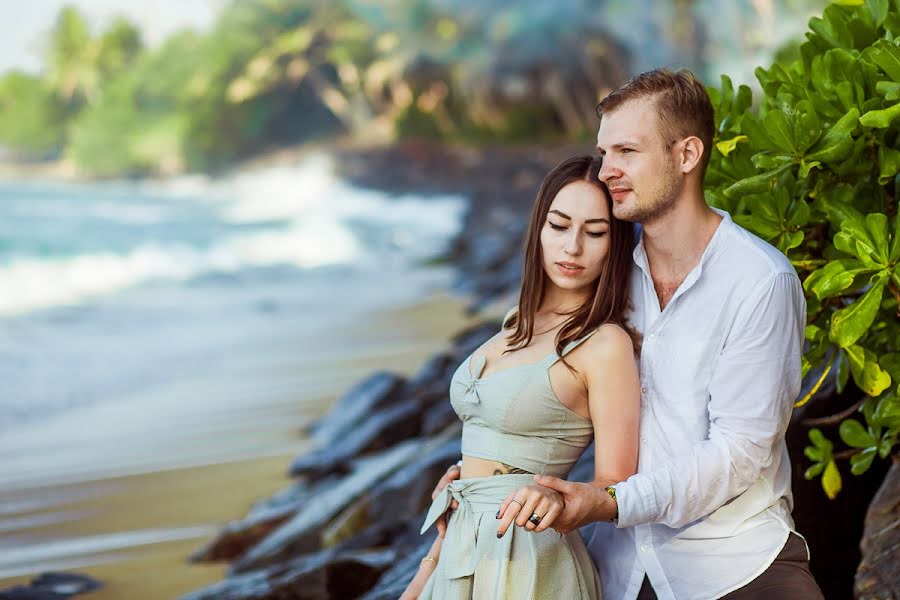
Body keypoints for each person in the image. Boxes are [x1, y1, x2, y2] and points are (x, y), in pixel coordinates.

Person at [425, 69, 825, 599]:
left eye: (626, 152)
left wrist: (611, 503)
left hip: (736, 567)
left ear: (686, 156)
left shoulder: (758, 281)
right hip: (617, 571)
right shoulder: (604, 272)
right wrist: (484, 475)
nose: (607, 170)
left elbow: (739, 452)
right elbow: (546, 386)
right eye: (603, 150)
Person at [401, 154, 642, 599]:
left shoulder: (604, 343)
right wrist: (425, 573)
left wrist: (558, 497)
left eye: (595, 233)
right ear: (539, 229)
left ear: (616, 243)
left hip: (530, 559)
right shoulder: (518, 321)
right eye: (559, 225)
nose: (572, 247)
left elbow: (617, 483)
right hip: (462, 544)